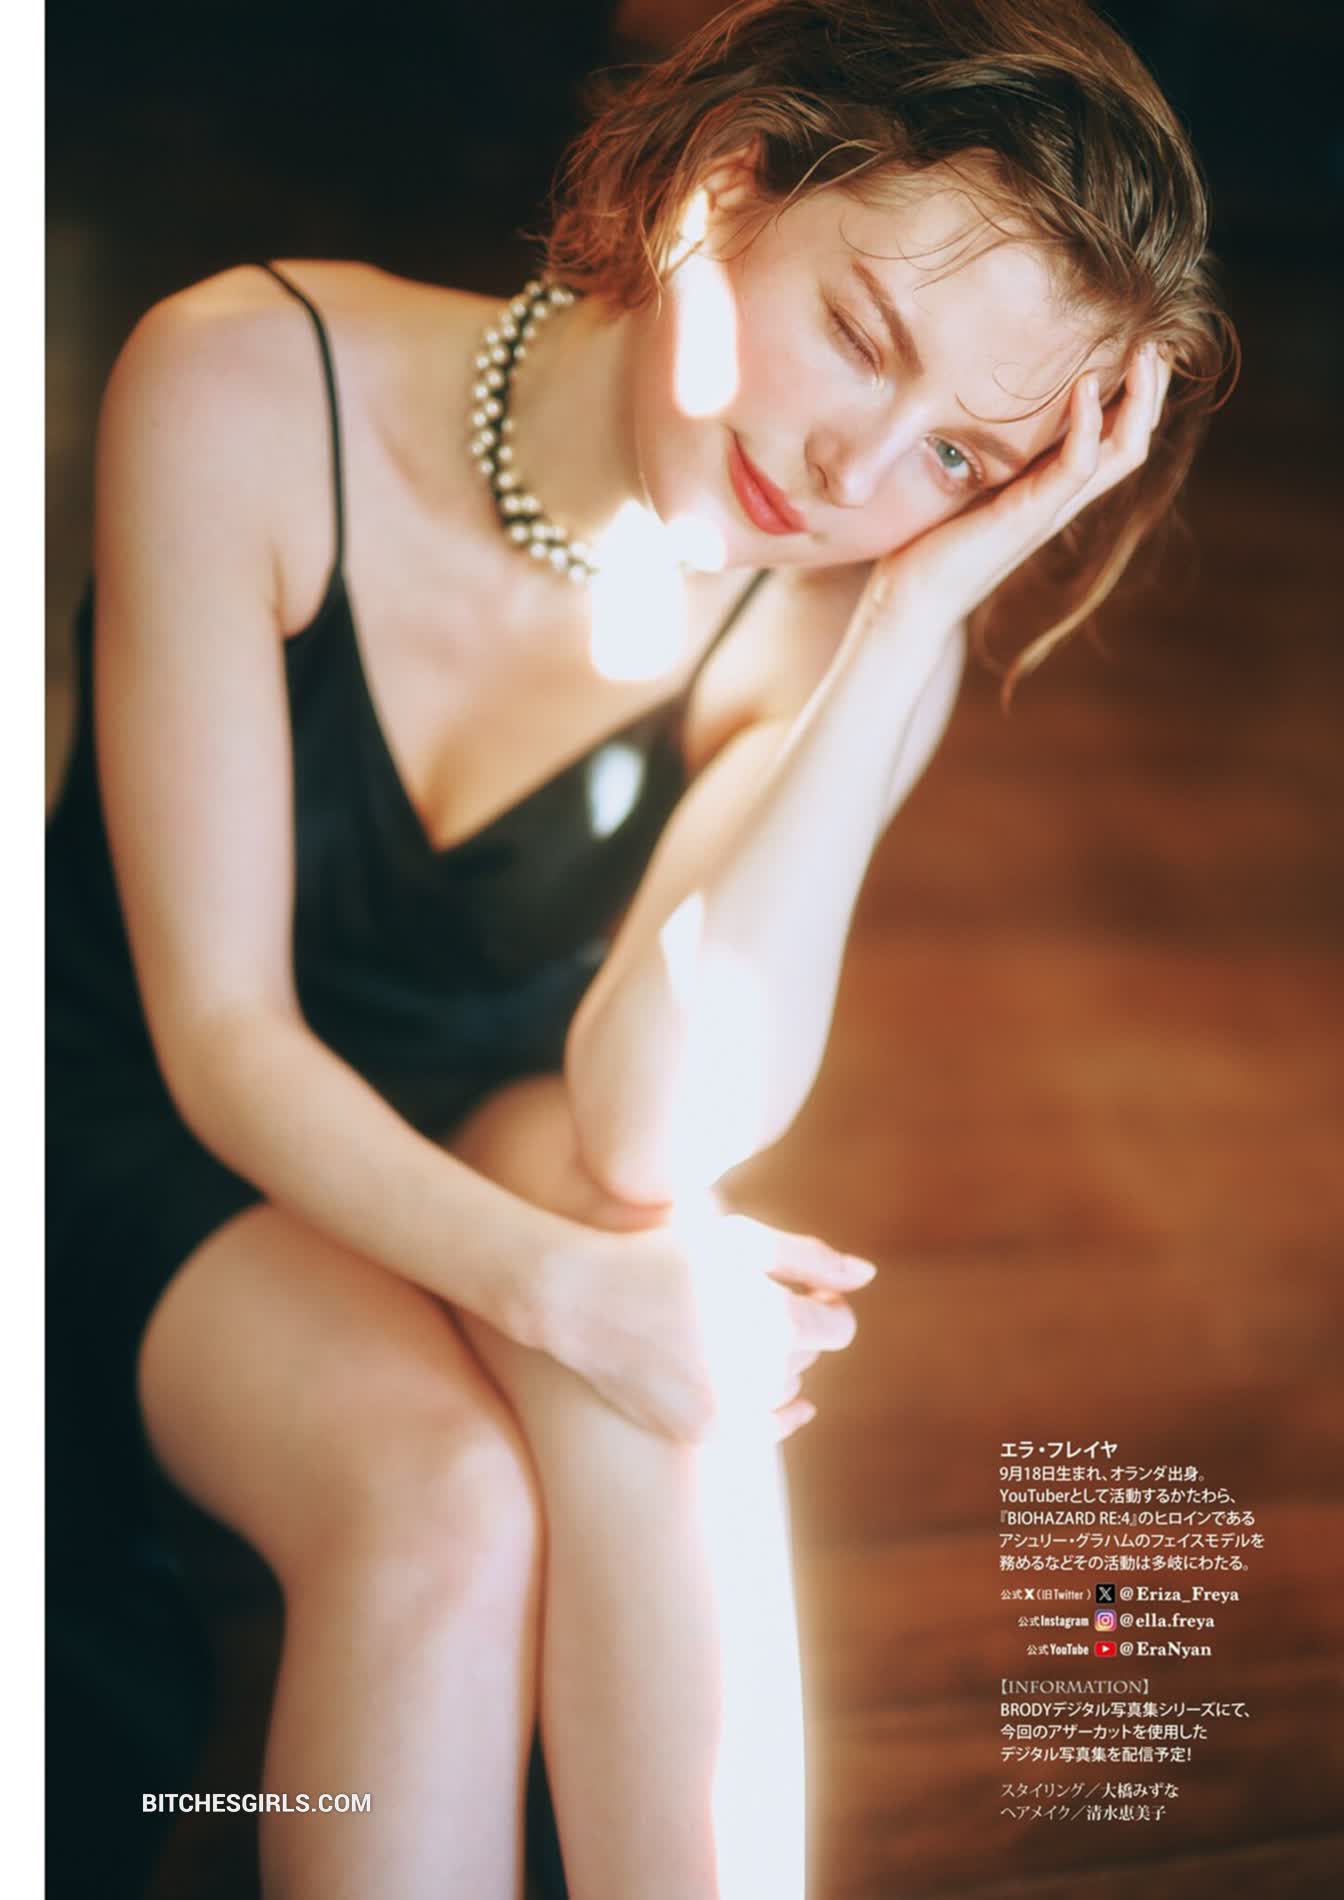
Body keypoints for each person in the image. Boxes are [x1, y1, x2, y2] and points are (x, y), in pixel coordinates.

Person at [45, 1, 1236, 1895]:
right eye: (861, 337)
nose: (853, 473)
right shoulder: (245, 383)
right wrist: (561, 1291)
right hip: (136, 1120)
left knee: (657, 1296)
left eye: (958, 457)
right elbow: (220, 1035)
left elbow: (649, 1125)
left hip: (510, 1127)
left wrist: (908, 629)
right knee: (444, 1497)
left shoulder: (848, 618)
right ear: (724, 182)